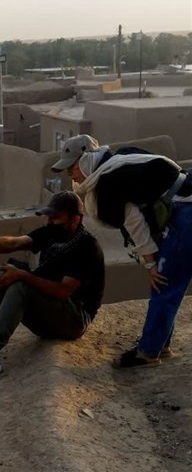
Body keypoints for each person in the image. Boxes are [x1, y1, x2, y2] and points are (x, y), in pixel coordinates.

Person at [51, 134, 192, 369]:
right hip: (183, 207)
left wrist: (150, 265)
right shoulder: (121, 160)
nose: (70, 175)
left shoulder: (108, 182)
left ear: (85, 160)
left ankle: (147, 353)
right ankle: (159, 343)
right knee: (166, 285)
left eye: (72, 167)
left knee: (163, 284)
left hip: (186, 214)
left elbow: (135, 223)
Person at [0, 191, 105, 382]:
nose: (50, 222)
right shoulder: (50, 233)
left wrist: (23, 275)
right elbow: (15, 242)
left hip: (75, 319)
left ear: (74, 220)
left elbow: (63, 291)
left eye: (55, 218)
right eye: (49, 217)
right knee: (7, 275)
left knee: (20, 283)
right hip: (52, 310)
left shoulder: (87, 247)